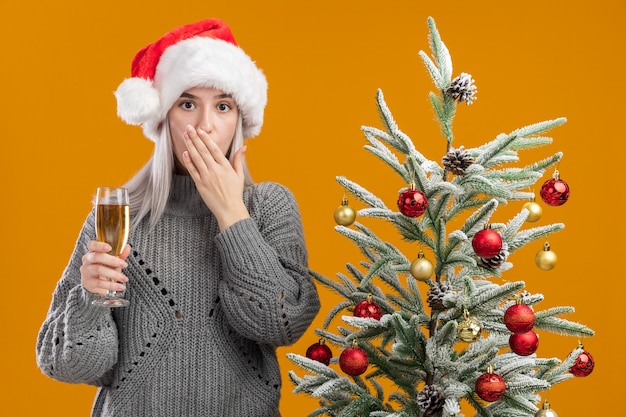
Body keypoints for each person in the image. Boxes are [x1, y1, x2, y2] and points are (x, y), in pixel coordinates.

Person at [36, 18, 320, 417]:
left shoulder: (268, 206)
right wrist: (89, 299)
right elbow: (69, 365)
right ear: (164, 117)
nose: (205, 125)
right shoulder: (119, 215)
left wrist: (230, 213)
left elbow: (282, 323)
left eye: (223, 106)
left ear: (239, 120)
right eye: (187, 104)